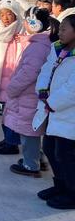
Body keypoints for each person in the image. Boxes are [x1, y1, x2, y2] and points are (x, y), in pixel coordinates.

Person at [4, 7, 59, 177]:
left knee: (29, 132)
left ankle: (31, 164)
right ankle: (35, 159)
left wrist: (12, 88)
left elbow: (29, 72)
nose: (25, 24)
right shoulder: (41, 43)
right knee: (31, 131)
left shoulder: (38, 47)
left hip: (28, 96)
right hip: (31, 95)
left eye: (27, 21)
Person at [34, 13, 75, 209]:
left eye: (65, 29)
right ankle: (61, 185)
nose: (60, 32)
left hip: (68, 113)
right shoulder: (57, 49)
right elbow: (45, 70)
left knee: (66, 153)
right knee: (50, 148)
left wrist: (53, 102)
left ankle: (72, 192)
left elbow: (72, 88)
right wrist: (42, 90)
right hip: (53, 109)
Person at [0, 0, 26, 155]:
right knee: (5, 113)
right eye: (2, 15)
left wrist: (23, 40)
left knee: (12, 113)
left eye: (9, 14)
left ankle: (12, 142)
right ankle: (8, 139)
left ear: (16, 14)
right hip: (0, 76)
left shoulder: (22, 31)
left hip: (15, 77)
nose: (6, 18)